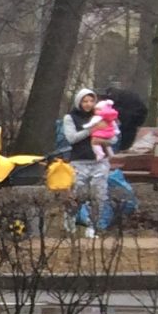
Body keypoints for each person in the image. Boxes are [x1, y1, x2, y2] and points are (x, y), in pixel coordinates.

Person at [58, 88, 109, 232]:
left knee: (99, 196)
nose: (88, 104)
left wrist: (105, 137)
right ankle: (70, 222)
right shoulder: (70, 118)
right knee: (77, 194)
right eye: (85, 101)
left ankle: (93, 227)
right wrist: (91, 131)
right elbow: (71, 138)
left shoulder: (101, 116)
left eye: (91, 101)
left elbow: (113, 137)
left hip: (100, 162)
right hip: (79, 161)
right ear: (79, 102)